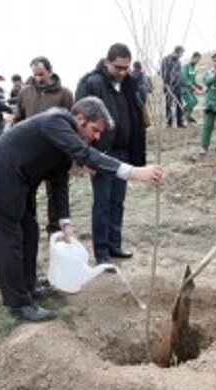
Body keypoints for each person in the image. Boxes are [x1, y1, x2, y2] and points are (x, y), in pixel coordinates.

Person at [0, 97, 162, 322]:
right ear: (80, 119)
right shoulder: (55, 121)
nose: (96, 137)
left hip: (17, 182)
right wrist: (132, 172)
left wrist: (65, 221)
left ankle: (28, 288)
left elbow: (59, 182)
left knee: (30, 233)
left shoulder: (63, 140)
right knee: (9, 242)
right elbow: (85, 155)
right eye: (95, 130)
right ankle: (19, 304)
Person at [76, 43, 148, 265]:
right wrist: (84, 155)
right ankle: (102, 253)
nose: (122, 72)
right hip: (101, 153)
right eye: (118, 67)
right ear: (107, 62)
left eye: (126, 67)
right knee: (103, 203)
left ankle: (114, 245)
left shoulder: (130, 84)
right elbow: (78, 121)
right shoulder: (91, 83)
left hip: (124, 152)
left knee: (118, 201)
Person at [14, 56, 74, 236]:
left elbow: (72, 122)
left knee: (56, 195)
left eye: (41, 74)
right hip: (31, 154)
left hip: (56, 153)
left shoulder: (64, 94)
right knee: (28, 194)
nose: (38, 78)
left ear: (49, 71)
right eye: (35, 75)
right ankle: (29, 229)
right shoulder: (25, 94)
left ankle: (55, 232)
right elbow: (18, 119)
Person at [160, 45, 185, 127]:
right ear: (178, 51)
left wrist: (178, 82)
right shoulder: (166, 59)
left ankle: (180, 122)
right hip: (168, 86)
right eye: (182, 53)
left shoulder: (178, 62)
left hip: (177, 86)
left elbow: (178, 74)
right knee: (169, 104)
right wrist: (166, 84)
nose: (182, 55)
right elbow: (164, 72)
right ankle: (169, 122)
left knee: (179, 103)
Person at [181, 51, 202, 124]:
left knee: (195, 101)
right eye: (197, 59)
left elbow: (192, 80)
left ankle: (184, 112)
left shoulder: (193, 68)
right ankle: (187, 117)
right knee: (191, 102)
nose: (198, 61)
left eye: (199, 60)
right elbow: (183, 78)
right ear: (193, 57)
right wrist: (191, 85)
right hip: (184, 89)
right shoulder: (186, 66)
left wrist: (197, 85)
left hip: (190, 89)